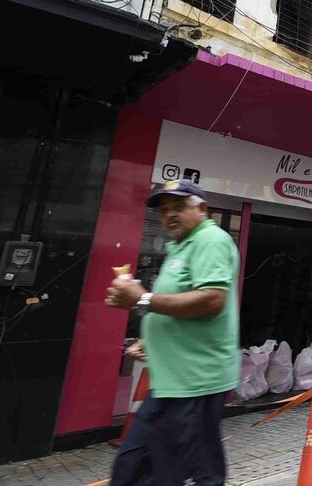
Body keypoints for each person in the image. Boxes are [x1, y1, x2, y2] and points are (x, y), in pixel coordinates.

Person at [106, 180, 240, 486]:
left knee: (189, 475)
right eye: (164, 210)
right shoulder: (181, 245)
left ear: (202, 208)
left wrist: (142, 299)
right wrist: (150, 338)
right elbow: (179, 306)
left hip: (195, 381)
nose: (170, 215)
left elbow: (212, 300)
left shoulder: (210, 240)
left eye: (179, 207)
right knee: (132, 468)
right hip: (169, 381)